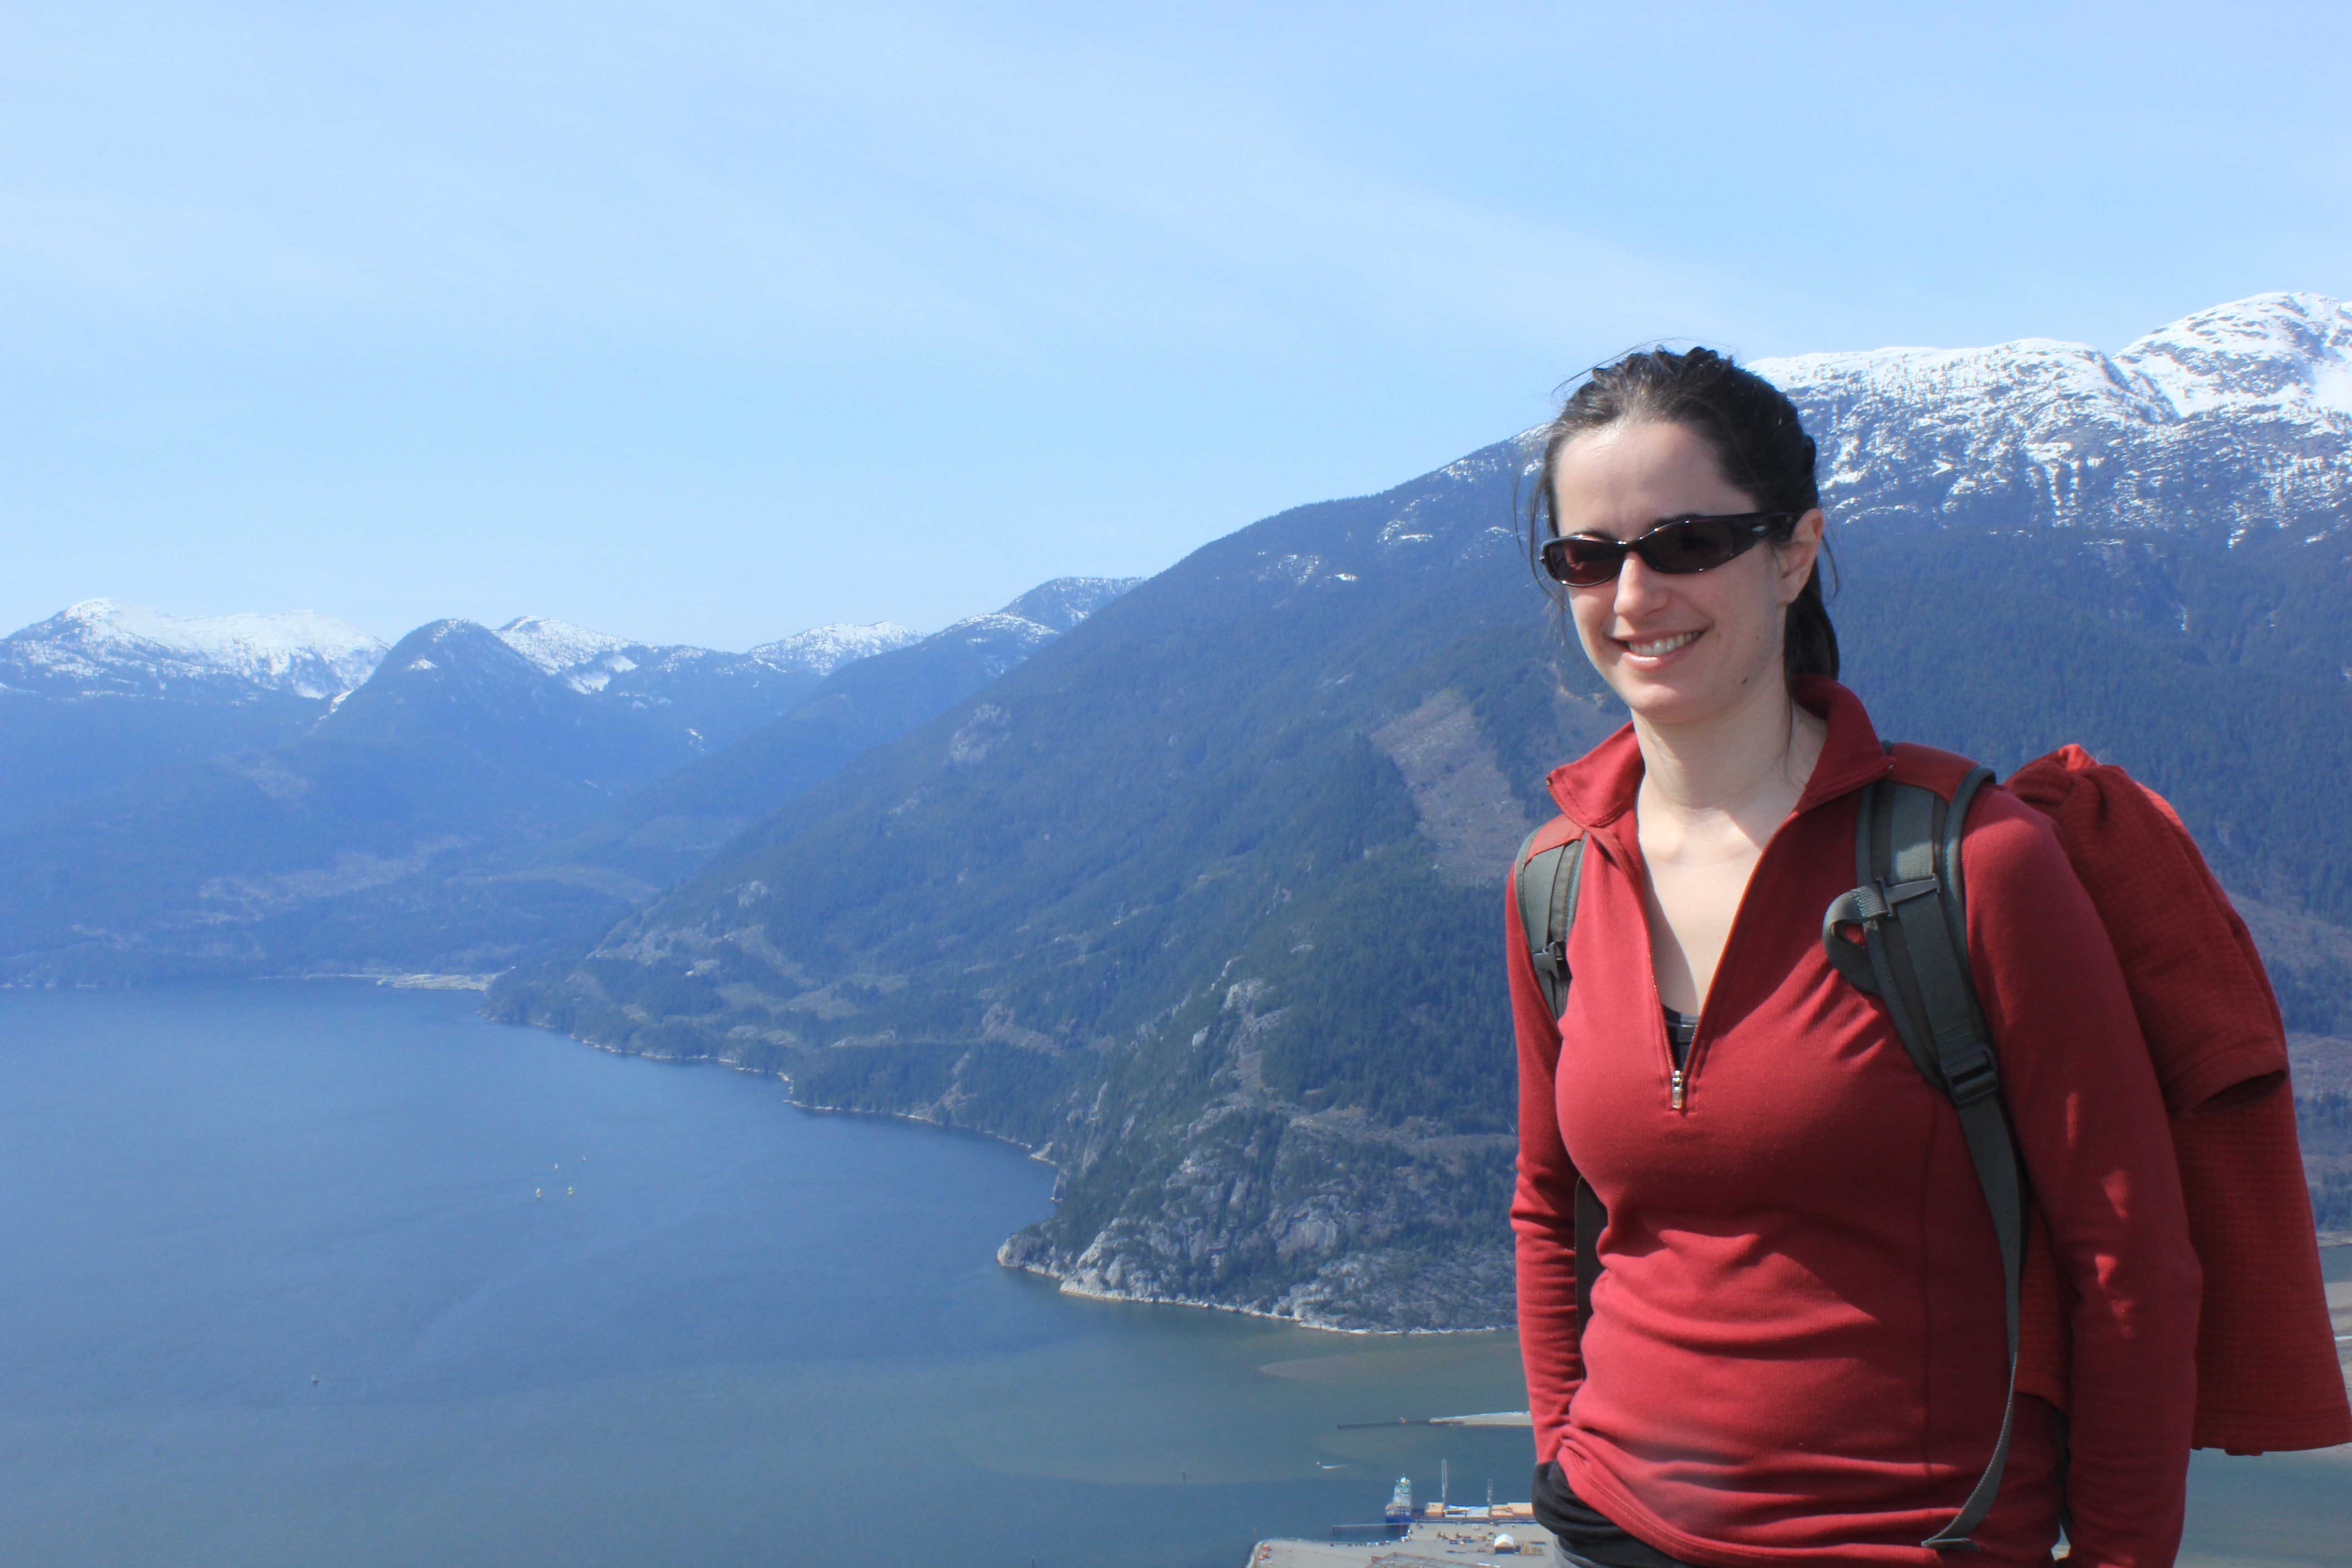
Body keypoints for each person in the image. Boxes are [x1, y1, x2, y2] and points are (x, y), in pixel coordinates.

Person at [1507, 348, 2200, 1567]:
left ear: (1792, 553)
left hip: (1910, 1538)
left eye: (1683, 545)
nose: (1630, 598)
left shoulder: (1973, 866)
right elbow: (1548, 1201)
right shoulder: (1556, 882)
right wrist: (1564, 1443)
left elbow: (2129, 1259)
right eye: (1587, 556)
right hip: (1610, 1523)